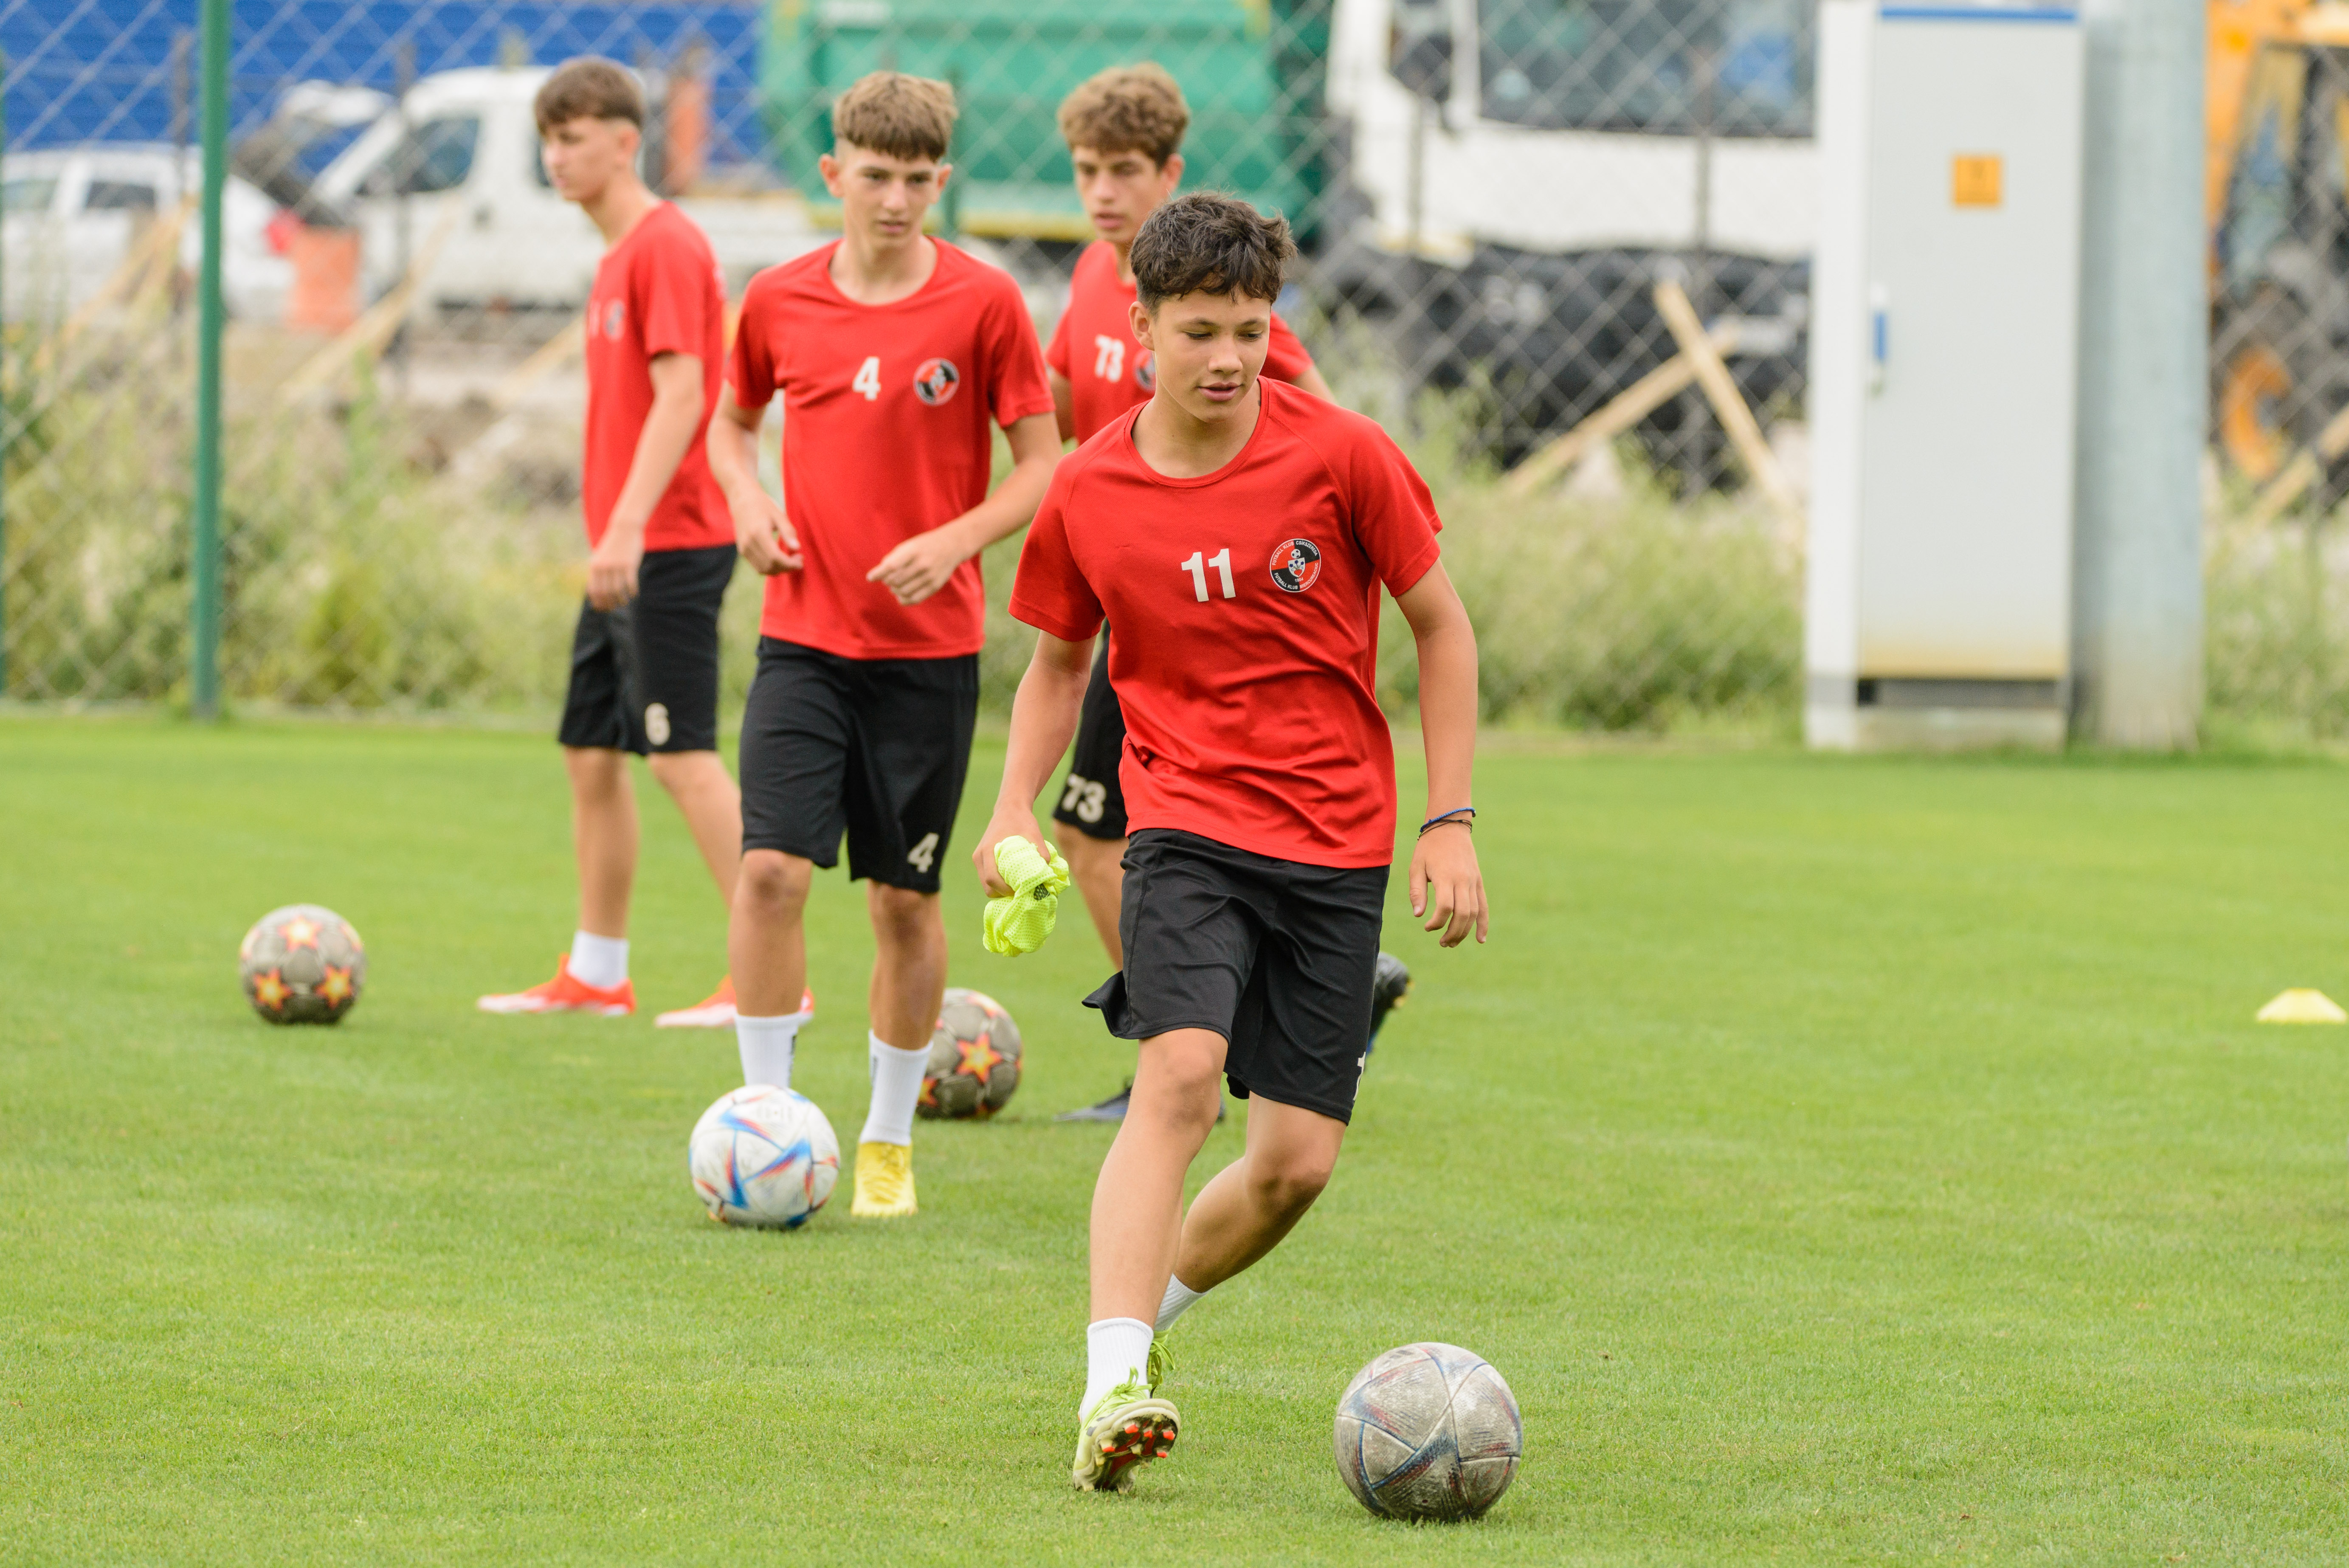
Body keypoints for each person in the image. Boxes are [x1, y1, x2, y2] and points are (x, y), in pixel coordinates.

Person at [974, 193, 1488, 1492]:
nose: (1227, 358)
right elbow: (1055, 663)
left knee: (1292, 1168)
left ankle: (1143, 1336)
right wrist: (1010, 805)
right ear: (1138, 323)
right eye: (1199, 331)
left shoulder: (1346, 454)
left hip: (1333, 843)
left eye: (1251, 332)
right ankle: (1108, 1383)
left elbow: (1441, 627)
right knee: (1181, 1077)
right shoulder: (1089, 486)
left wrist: (1448, 820)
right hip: (1185, 828)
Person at [707, 71, 1061, 1219]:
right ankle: (767, 1119)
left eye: (917, 179)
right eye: (875, 175)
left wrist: (954, 539)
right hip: (803, 641)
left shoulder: (984, 304)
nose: (896, 198)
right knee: (769, 870)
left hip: (926, 655)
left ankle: (887, 1139)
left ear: (941, 181)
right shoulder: (777, 299)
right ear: (834, 175)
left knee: (901, 903)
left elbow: (1046, 463)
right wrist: (748, 508)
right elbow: (727, 425)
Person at [1039, 64, 1410, 1123]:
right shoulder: (1082, 282)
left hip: (1205, 616)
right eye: (1086, 173)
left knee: (1102, 835)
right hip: (1135, 589)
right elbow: (1064, 395)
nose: (1104, 194)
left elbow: (1322, 431)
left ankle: (1177, 1040)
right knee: (1093, 835)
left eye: (1124, 173)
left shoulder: (1216, 309)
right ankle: (1189, 1033)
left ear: (1169, 175)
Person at [478, 57, 746, 1026]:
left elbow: (686, 392)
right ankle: (597, 971)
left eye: (574, 137)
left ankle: (769, 976)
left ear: (625, 142)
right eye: (548, 139)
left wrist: (628, 524)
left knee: (683, 757)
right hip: (623, 546)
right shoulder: (614, 255)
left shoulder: (664, 246)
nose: (557, 156)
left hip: (667, 542)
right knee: (591, 753)